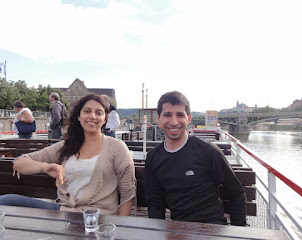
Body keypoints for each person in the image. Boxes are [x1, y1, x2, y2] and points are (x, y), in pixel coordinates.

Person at [0, 94, 136, 216]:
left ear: (105, 119)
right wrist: (45, 167)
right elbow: (19, 163)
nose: (92, 116)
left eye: (98, 113)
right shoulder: (67, 146)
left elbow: (127, 195)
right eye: (87, 111)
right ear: (78, 116)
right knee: (7, 201)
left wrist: (119, 231)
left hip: (98, 219)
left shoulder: (116, 147)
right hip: (64, 212)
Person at [145, 91, 247, 226]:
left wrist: (238, 232)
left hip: (212, 229)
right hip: (178, 230)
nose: (174, 122)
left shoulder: (208, 152)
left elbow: (237, 194)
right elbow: (155, 203)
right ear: (159, 118)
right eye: (167, 115)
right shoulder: (153, 158)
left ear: (189, 118)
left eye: (180, 115)